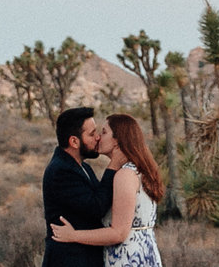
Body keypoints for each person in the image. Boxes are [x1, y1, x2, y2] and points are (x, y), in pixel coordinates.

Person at [50, 113, 166, 267]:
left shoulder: (125, 175)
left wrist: (73, 235)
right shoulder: (138, 171)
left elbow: (118, 233)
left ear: (117, 141)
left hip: (128, 259)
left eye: (104, 132)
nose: (98, 137)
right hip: (144, 254)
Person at [42, 107, 117, 267]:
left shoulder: (82, 167)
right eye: (91, 134)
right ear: (74, 141)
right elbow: (97, 207)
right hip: (69, 259)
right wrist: (114, 166)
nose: (97, 138)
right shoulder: (61, 171)